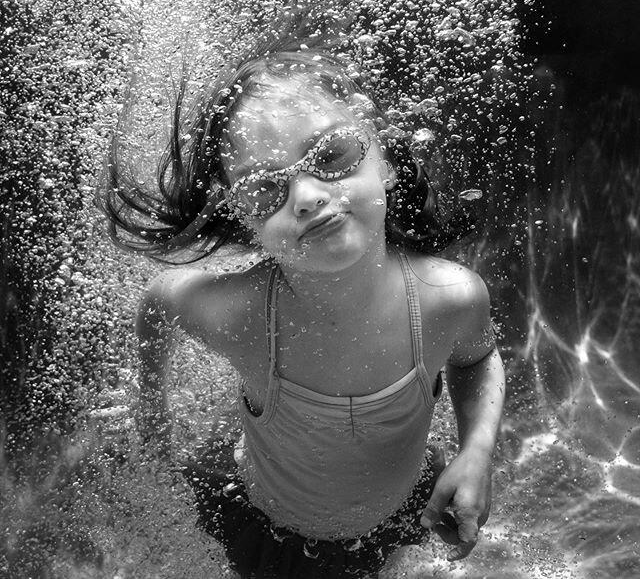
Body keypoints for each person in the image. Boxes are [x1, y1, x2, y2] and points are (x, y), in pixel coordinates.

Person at [100, 33, 505, 578]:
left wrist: (475, 451)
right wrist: (150, 409)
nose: (308, 196)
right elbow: (157, 302)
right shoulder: (241, 315)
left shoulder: (449, 298)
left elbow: (477, 360)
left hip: (403, 497)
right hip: (274, 526)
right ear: (244, 219)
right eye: (266, 189)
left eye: (333, 155)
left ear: (383, 157)